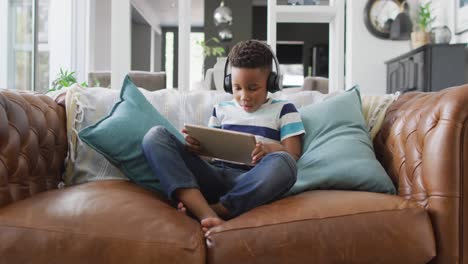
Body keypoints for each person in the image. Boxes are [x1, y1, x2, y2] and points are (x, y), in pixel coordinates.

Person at [141, 40, 305, 235]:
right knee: (155, 136)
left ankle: (214, 211)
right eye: (237, 88)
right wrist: (198, 148)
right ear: (228, 83)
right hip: (215, 176)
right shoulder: (221, 110)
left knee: (284, 163)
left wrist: (269, 149)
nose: (244, 96)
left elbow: (293, 156)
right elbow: (209, 157)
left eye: (253, 88)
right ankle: (206, 211)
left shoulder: (284, 110)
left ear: (271, 81)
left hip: (254, 181)